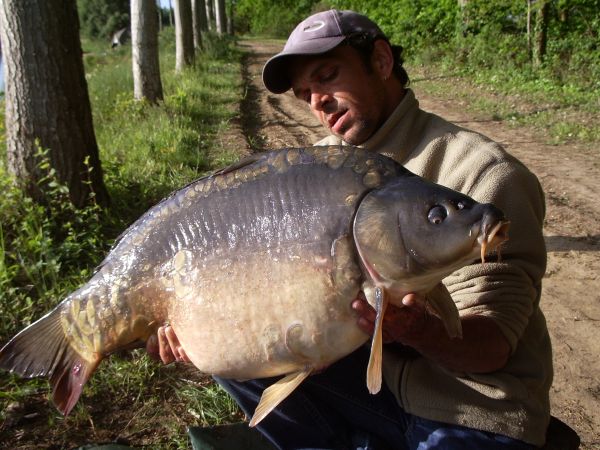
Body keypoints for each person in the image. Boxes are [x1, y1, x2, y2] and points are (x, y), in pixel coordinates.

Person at [147, 9, 552, 450]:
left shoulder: (482, 172)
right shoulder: (320, 167)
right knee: (236, 343)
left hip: (471, 407)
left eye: (327, 76)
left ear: (381, 61)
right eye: (305, 93)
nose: (317, 101)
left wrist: (414, 328)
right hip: (371, 387)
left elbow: (492, 347)